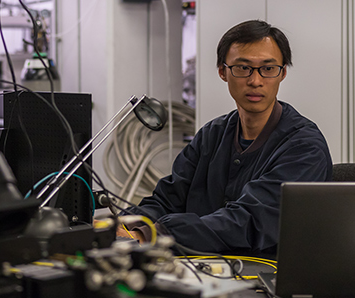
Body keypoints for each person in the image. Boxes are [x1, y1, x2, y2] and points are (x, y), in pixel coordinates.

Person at [117, 20, 332, 254]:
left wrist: (153, 235)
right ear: (223, 71)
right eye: (243, 68)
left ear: (282, 74)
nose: (256, 80)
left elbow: (250, 221)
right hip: (199, 271)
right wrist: (126, 224)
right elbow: (167, 200)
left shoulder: (304, 147)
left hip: (265, 280)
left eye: (268, 69)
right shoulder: (212, 135)